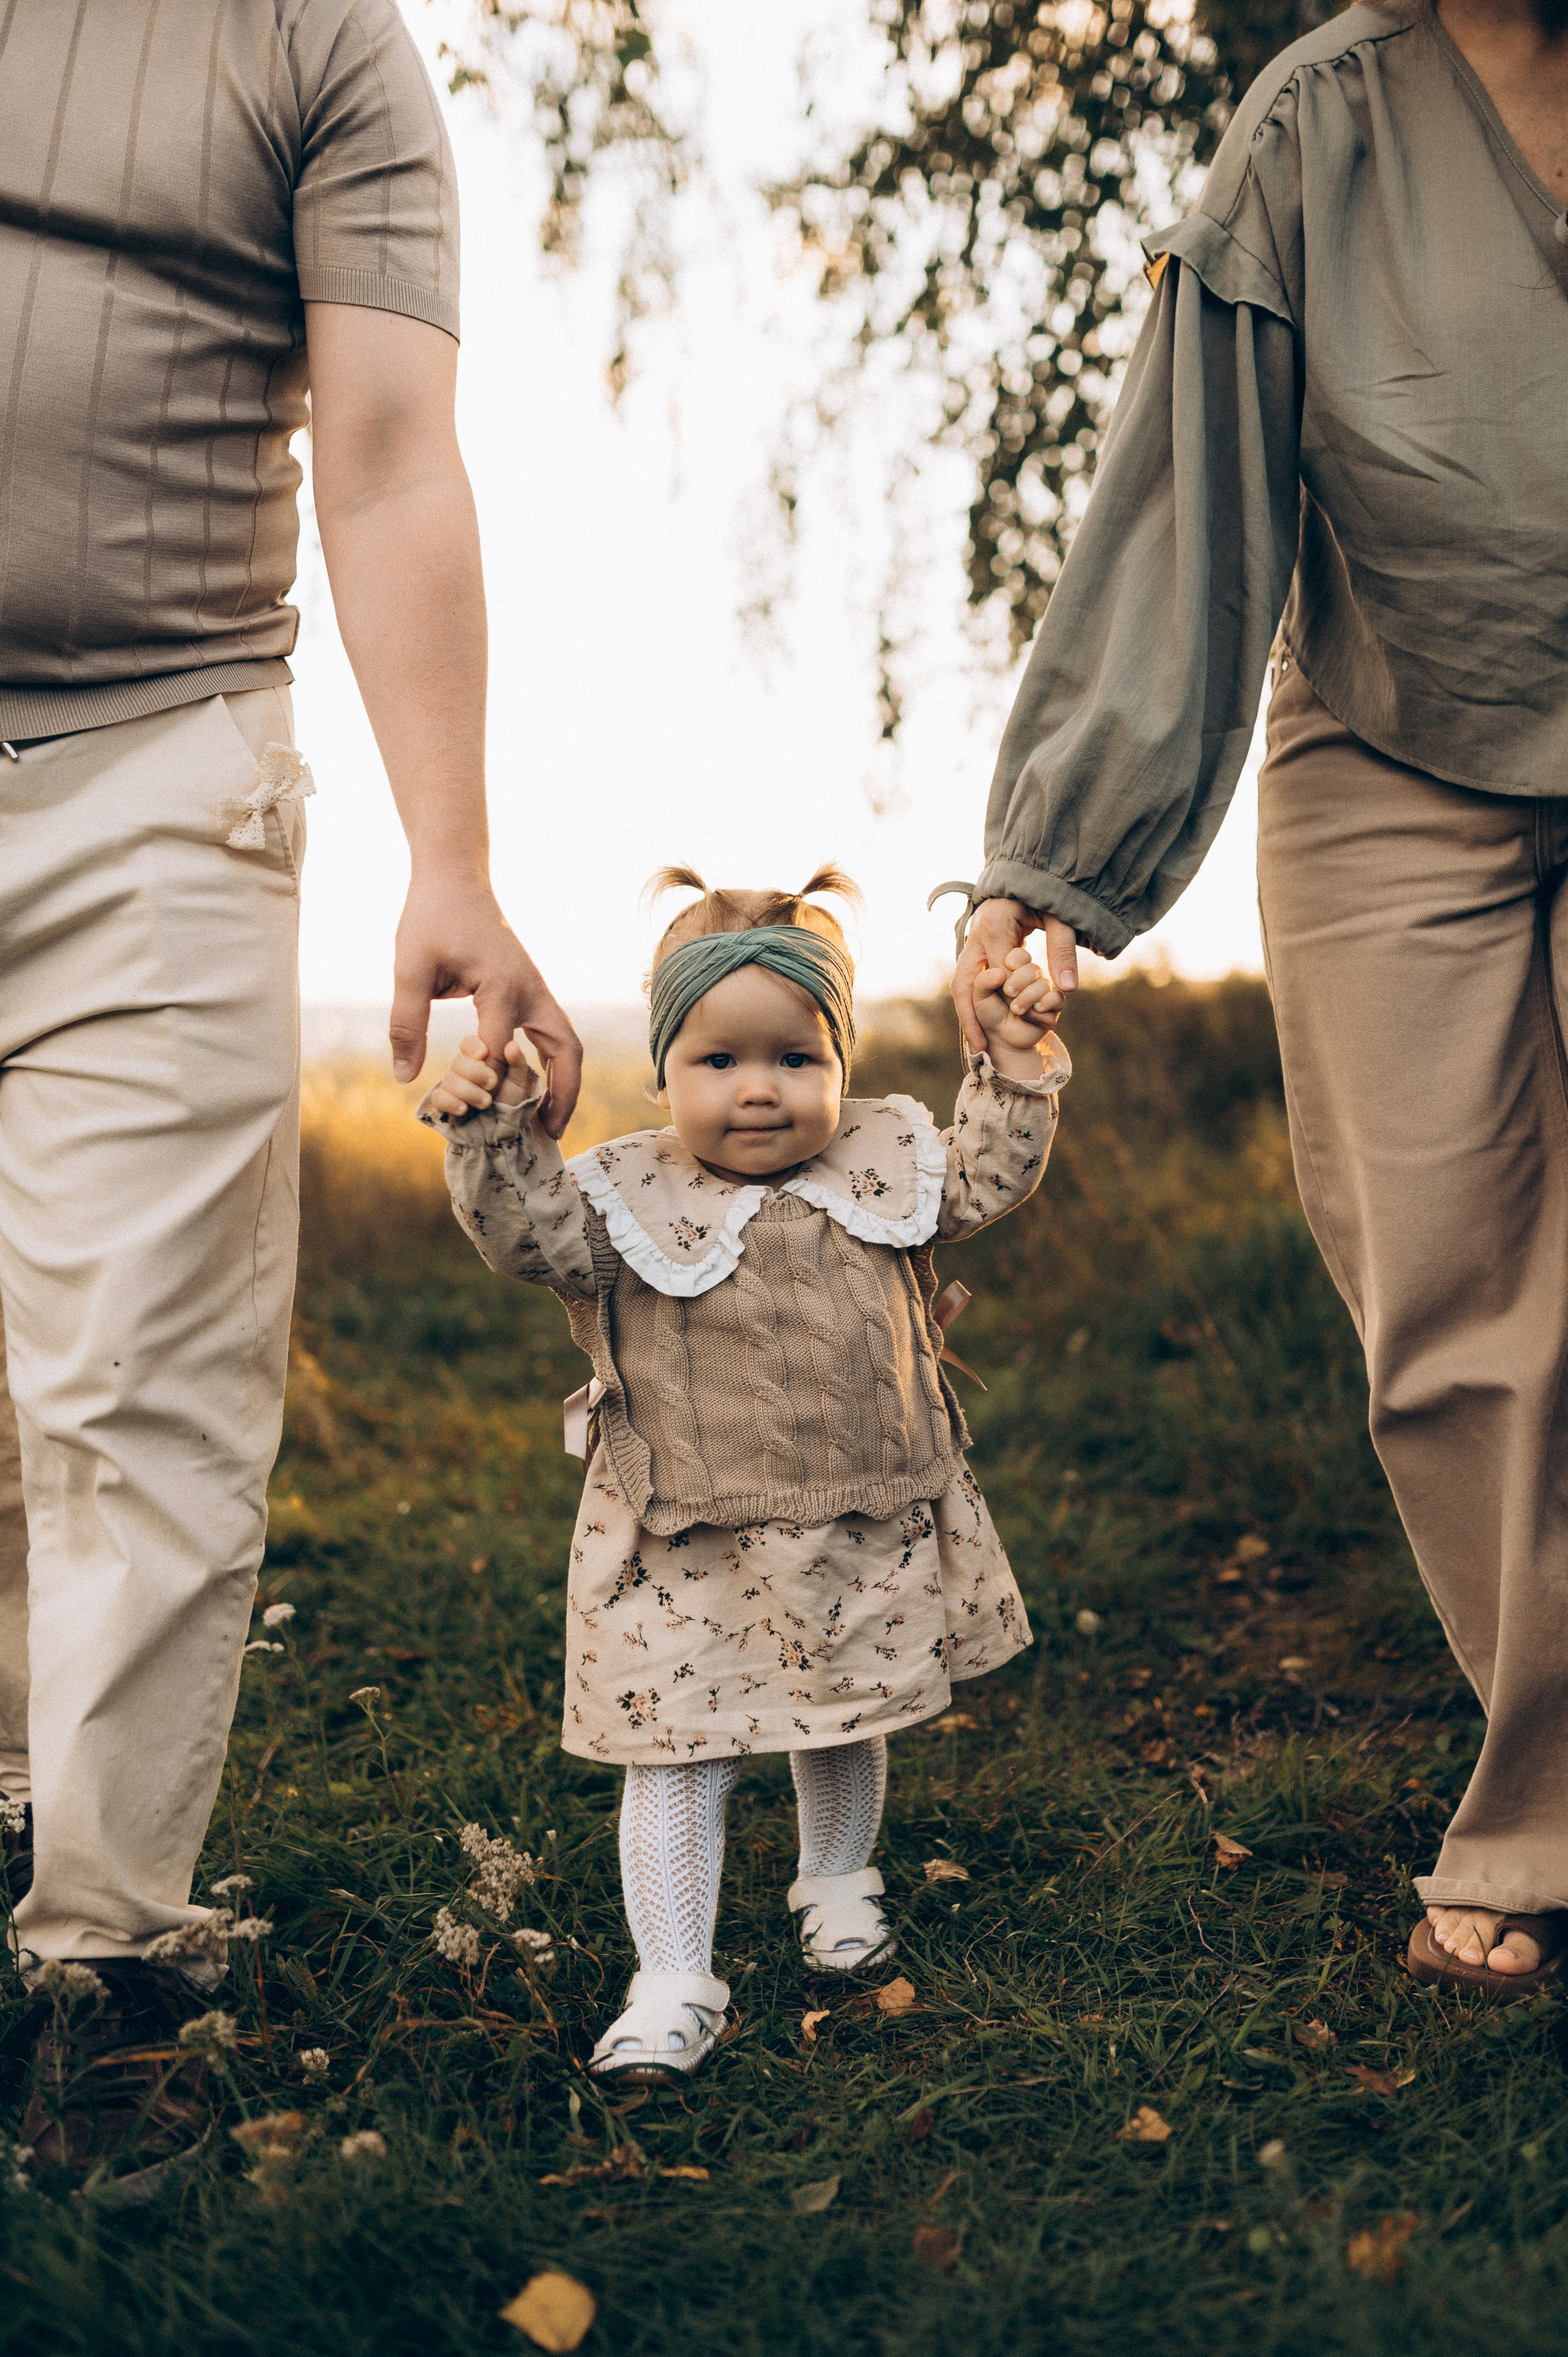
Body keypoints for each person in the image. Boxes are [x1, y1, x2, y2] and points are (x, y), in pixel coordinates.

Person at [0, 0, 578, 2179]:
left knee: (134, 1364)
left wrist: (451, 851)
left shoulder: (322, 45)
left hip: (162, 768)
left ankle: (110, 1959)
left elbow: (395, 448)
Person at [948, 0, 1568, 1998]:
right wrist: (1060, 856)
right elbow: (1188, 494)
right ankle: (1553, 1809)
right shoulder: (1324, 127)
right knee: (1451, 1291)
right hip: (1396, 754)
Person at [421, 867, 1066, 2081]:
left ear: (839, 1060)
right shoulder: (624, 1194)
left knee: (843, 1711)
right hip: (682, 1538)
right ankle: (673, 1976)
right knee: (677, 1748)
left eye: (794, 1057)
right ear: (665, 1066)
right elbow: (524, 1239)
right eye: (717, 1060)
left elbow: (988, 1171)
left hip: (856, 1513)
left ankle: (836, 1879)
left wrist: (1019, 1051)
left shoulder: (884, 1164)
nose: (758, 1087)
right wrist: (490, 1128)